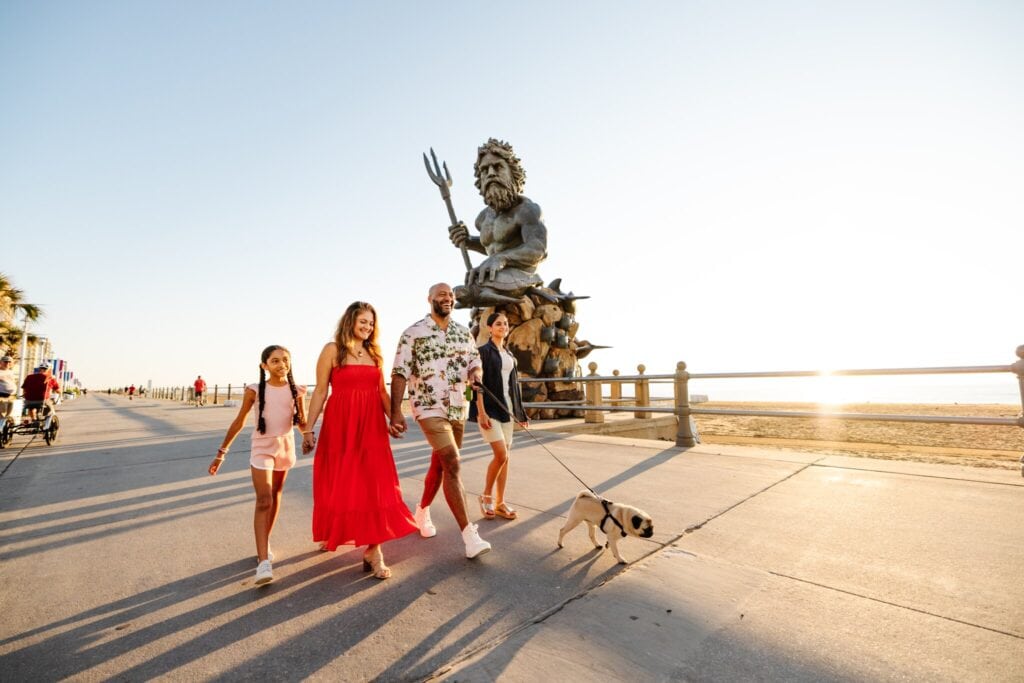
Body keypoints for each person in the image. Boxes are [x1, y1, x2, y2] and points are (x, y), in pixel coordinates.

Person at [302, 302, 417, 580]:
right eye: (362, 322)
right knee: (343, 481)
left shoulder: (375, 354)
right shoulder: (332, 350)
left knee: (375, 483)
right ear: (350, 321)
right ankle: (335, 530)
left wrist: (394, 418)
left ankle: (373, 550)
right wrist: (308, 428)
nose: (367, 327)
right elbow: (319, 392)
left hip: (371, 427)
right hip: (340, 425)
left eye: (371, 323)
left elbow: (380, 392)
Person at [390, 283, 491, 558]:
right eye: (443, 295)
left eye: (451, 295)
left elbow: (474, 360)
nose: (449, 298)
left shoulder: (462, 333)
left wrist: (476, 374)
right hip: (427, 405)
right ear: (430, 299)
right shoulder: (413, 333)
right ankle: (470, 537)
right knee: (452, 462)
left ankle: (422, 512)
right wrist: (396, 411)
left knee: (442, 463)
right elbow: (399, 372)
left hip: (458, 405)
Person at [208, 345, 308, 586]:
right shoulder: (254, 390)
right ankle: (264, 562)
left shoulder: (297, 391)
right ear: (264, 366)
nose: (281, 364)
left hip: (285, 447)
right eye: (275, 361)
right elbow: (240, 421)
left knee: (276, 495)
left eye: (285, 360)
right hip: (262, 448)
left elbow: (302, 423)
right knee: (264, 499)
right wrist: (222, 452)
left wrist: (309, 435)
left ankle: (265, 542)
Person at [447, 138, 548, 308]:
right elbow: (494, 246)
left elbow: (538, 248)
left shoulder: (527, 210)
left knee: (472, 291)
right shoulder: (482, 218)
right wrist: (467, 241)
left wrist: (502, 258)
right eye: (485, 170)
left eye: (498, 167)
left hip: (522, 275)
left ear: (513, 173)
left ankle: (510, 303)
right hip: (494, 277)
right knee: (463, 290)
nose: (491, 173)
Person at [469, 311, 528, 521]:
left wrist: (520, 413)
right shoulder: (482, 352)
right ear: (490, 328)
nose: (503, 327)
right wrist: (480, 412)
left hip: (507, 410)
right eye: (499, 324)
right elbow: (476, 385)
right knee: (501, 454)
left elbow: (514, 387)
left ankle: (500, 502)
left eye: (506, 324)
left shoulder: (510, 356)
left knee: (506, 458)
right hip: (489, 411)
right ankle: (486, 496)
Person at [0, 355, 17, 423]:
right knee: (2, 413)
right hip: (2, 395)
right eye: (5, 362)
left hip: (12, 396)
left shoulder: (11, 372)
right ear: (1, 362)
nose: (7, 363)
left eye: (9, 362)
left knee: (8, 414)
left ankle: (3, 428)